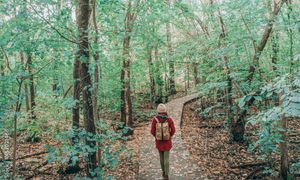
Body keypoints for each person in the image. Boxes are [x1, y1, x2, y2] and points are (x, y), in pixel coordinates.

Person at [150, 104, 175, 180]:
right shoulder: (169, 119)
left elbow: (152, 131)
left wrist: (157, 137)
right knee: (166, 158)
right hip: (167, 142)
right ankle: (166, 175)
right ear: (165, 110)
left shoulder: (155, 120)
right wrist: (169, 136)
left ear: (158, 111)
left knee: (161, 158)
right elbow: (173, 130)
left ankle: (163, 172)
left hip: (159, 142)